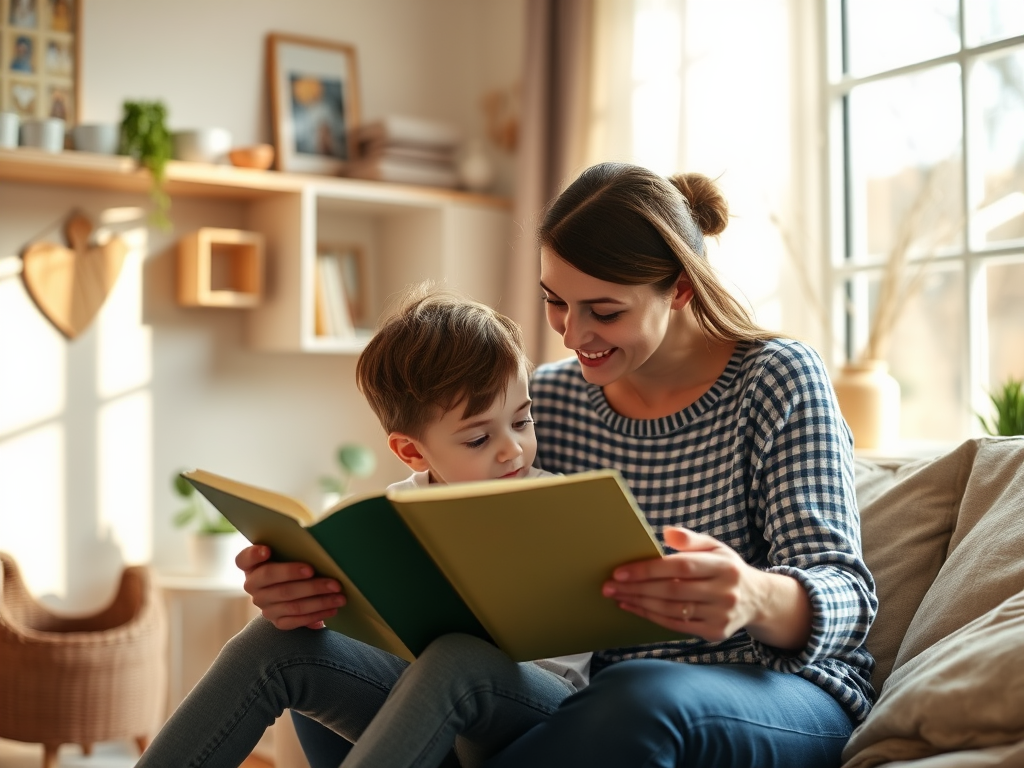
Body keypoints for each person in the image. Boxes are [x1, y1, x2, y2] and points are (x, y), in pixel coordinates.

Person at [284, 162, 878, 768]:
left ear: (677, 288)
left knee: (639, 694)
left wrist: (755, 596)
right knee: (335, 663)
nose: (573, 333)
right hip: (586, 709)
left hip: (777, 692)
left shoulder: (776, 379)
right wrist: (326, 591)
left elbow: (849, 595)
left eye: (604, 310)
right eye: (555, 302)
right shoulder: (552, 401)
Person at [137, 284, 590, 768]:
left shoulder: (555, 504)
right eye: (479, 438)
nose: (512, 450)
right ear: (413, 451)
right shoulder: (393, 513)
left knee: (460, 655)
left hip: (540, 706)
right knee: (274, 638)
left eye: (522, 422)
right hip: (427, 702)